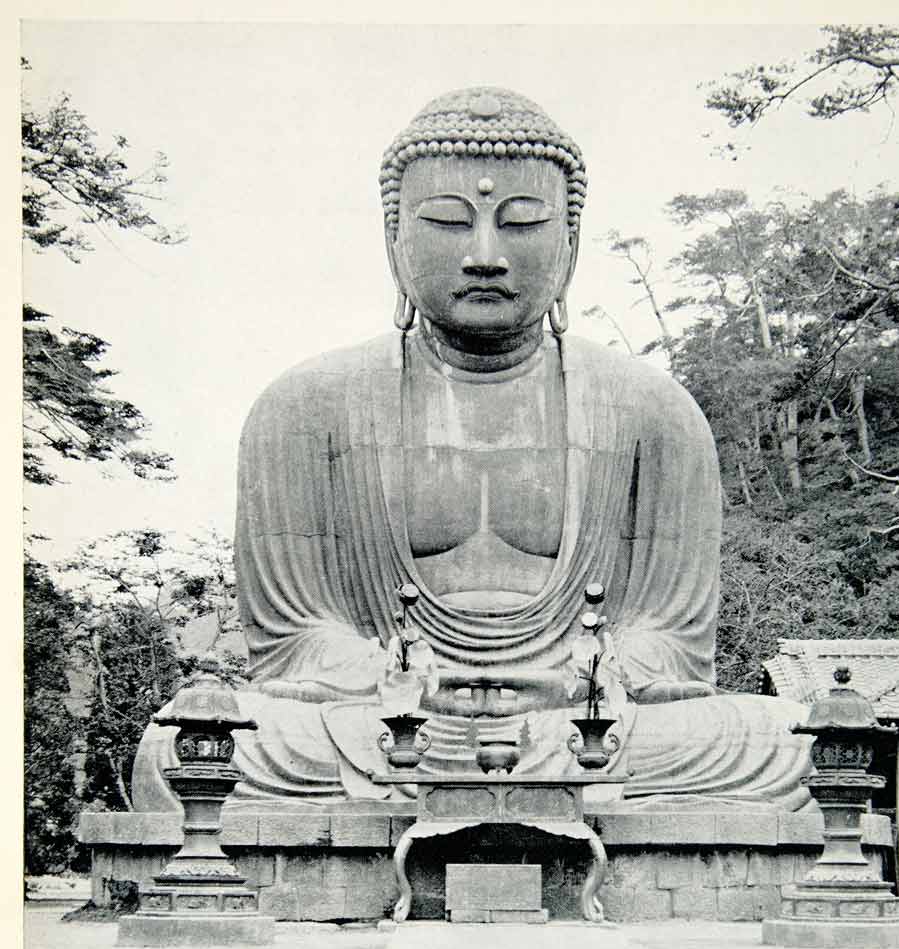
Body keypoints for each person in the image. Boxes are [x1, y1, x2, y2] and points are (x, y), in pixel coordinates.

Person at [132, 87, 811, 813]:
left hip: (584, 723)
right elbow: (294, 638)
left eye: (522, 224)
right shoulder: (303, 409)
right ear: (394, 239)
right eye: (447, 222)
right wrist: (399, 675)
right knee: (181, 750)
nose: (485, 255)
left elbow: (672, 641)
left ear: (571, 244)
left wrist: (583, 676)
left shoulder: (655, 411)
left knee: (784, 743)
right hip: (385, 722)